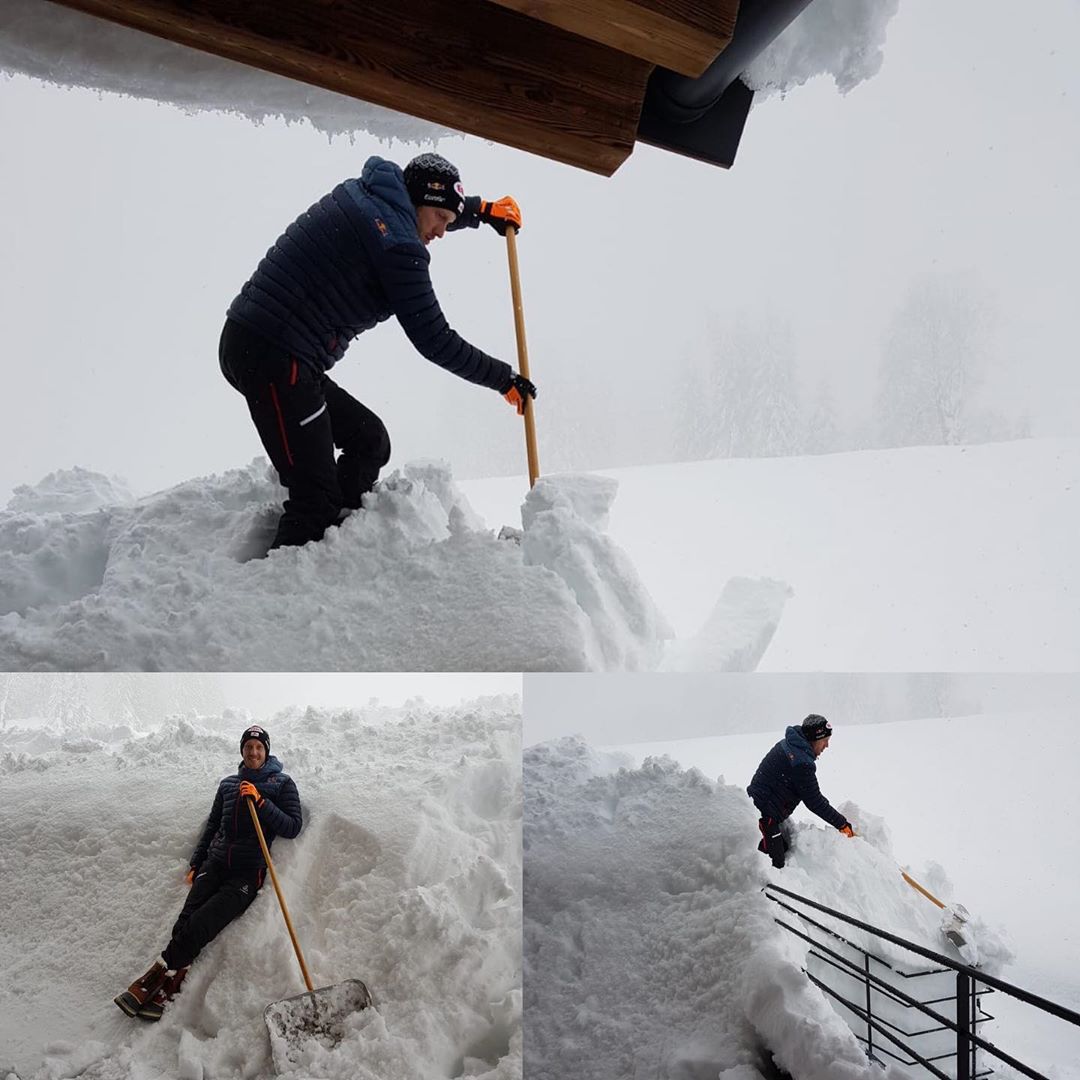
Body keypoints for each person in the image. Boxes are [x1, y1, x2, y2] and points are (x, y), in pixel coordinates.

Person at [219, 151, 538, 549]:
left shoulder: (370, 195)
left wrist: (479, 211)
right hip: (274, 355)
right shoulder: (398, 247)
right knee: (313, 499)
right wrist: (503, 379)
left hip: (265, 344)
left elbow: (422, 206)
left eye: (449, 222)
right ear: (423, 201)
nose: (441, 232)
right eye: (441, 219)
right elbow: (435, 339)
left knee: (369, 440)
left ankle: (339, 544)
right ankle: (288, 576)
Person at [114, 724, 302, 1021]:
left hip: (246, 873)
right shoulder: (228, 785)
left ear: (266, 752)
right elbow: (213, 826)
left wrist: (261, 801)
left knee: (202, 923)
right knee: (184, 923)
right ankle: (172, 984)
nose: (253, 752)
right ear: (242, 750)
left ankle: (155, 974)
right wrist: (196, 862)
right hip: (214, 864)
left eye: (259, 747)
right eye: (248, 747)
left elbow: (293, 826)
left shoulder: (281, 783)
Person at [746, 714, 854, 868]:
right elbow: (814, 801)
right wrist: (842, 824)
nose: (827, 746)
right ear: (814, 738)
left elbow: (811, 795)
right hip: (763, 818)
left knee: (782, 850)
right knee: (774, 866)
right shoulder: (800, 762)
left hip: (757, 810)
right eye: (825, 740)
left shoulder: (790, 744)